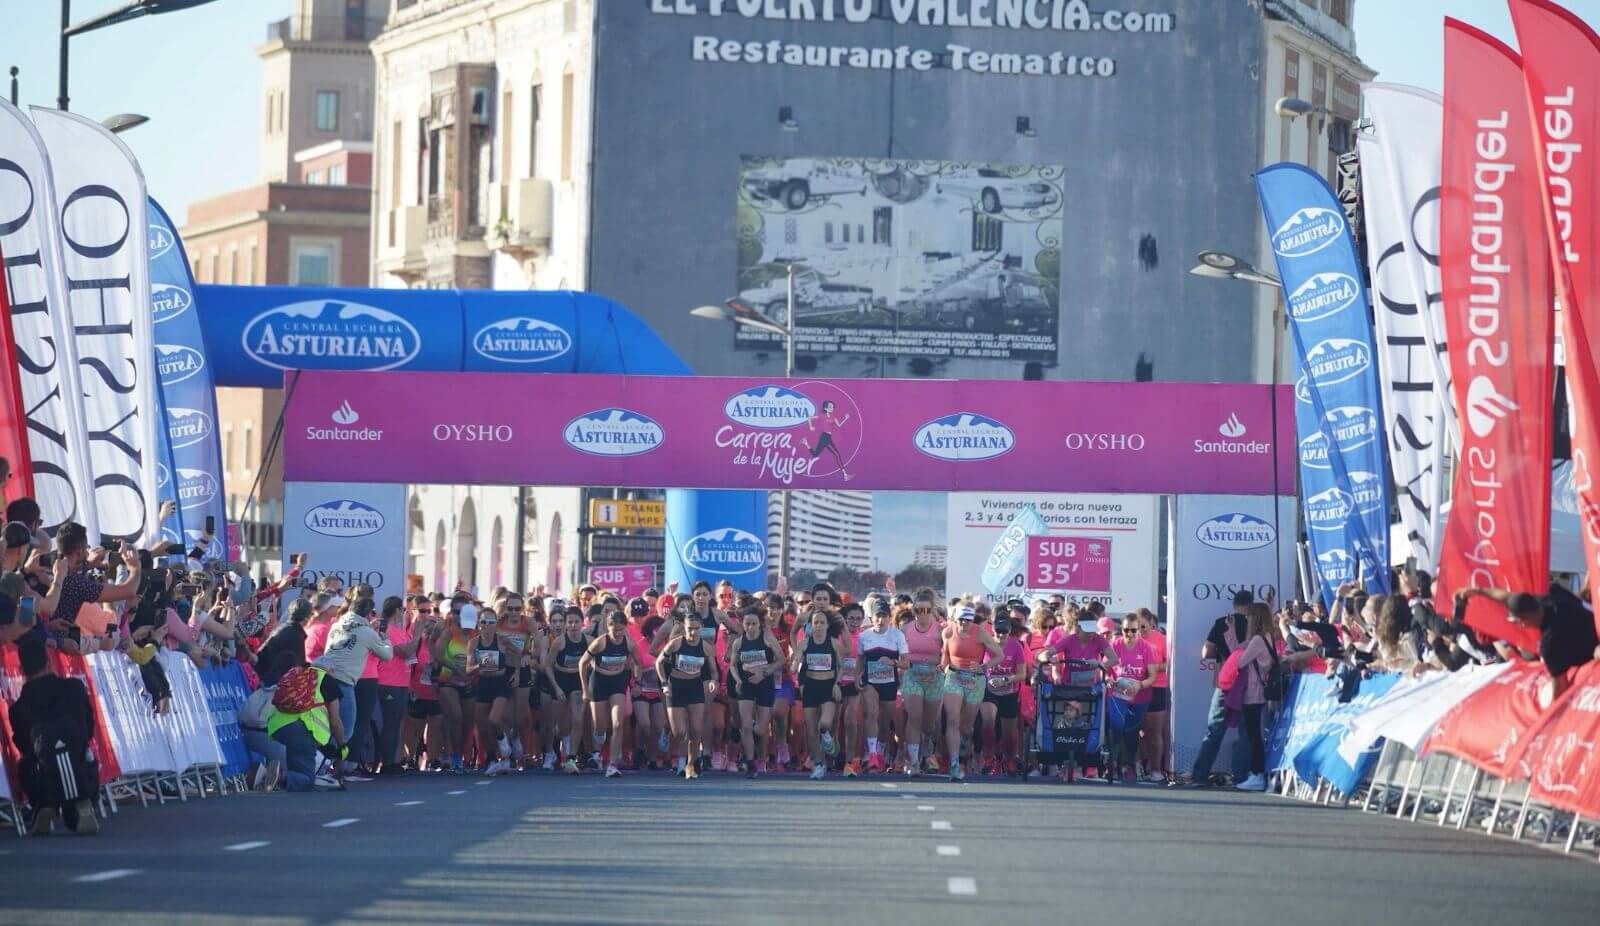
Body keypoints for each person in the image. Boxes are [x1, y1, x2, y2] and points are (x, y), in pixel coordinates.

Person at [10, 637, 100, 834]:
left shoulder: (18, 708)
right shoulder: (74, 688)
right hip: (81, 769)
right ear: (48, 661)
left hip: (45, 777)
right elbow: (88, 728)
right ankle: (83, 803)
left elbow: (24, 746)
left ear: (22, 670)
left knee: (26, 763)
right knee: (84, 753)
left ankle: (45, 805)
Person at [1458, 582, 1599, 702]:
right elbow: (1507, 597)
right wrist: (1479, 591)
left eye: (1517, 622)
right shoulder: (1552, 594)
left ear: (1523, 622)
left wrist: (1548, 716)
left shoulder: (1550, 644)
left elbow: (1561, 687)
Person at [312, 596, 395, 776]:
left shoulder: (337, 625)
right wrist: (386, 640)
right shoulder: (367, 631)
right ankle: (326, 768)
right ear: (368, 613)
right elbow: (387, 656)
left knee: (324, 725)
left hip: (323, 677)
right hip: (344, 682)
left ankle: (322, 765)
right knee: (346, 730)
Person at [37, 522, 142, 656]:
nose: (88, 552)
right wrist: (135, 567)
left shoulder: (48, 561)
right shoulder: (79, 584)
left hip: (49, 627)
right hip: (66, 638)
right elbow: (129, 591)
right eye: (86, 548)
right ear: (79, 551)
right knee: (112, 636)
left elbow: (67, 570)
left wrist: (88, 565)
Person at [1186, 589, 1254, 788]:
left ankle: (1200, 774)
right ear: (1250, 605)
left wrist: (1220, 654)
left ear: (1234, 604)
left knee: (1214, 729)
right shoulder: (1255, 625)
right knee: (1246, 731)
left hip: (1226, 681)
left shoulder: (1222, 622)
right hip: (1249, 682)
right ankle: (1240, 777)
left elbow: (1206, 652)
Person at [939, 605, 1004, 781]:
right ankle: (954, 763)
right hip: (954, 677)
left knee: (966, 728)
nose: (964, 623)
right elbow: (945, 656)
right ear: (955, 620)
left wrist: (984, 667)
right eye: (961, 620)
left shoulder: (980, 633)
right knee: (953, 719)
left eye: (968, 620)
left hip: (975, 680)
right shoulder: (948, 632)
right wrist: (943, 668)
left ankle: (964, 756)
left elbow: (999, 655)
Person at [267, 662, 347, 792]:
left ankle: (264, 776)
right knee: (307, 779)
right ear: (331, 670)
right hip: (303, 728)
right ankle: (275, 776)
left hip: (278, 725)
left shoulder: (298, 674)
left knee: (297, 770)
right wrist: (342, 745)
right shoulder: (328, 681)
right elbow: (335, 721)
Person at [579, 611, 641, 778]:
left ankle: (612, 764)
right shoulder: (600, 643)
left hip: (618, 682)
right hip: (599, 682)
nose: (618, 634)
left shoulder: (629, 644)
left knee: (618, 723)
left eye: (621, 630)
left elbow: (638, 663)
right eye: (615, 630)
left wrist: (637, 682)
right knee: (600, 726)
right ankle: (599, 741)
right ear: (608, 627)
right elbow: (582, 663)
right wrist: (585, 689)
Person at [658, 609, 716, 779]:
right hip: (675, 687)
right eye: (689, 628)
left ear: (701, 628)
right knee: (680, 732)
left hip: (694, 687)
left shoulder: (706, 647)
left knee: (696, 729)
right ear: (684, 627)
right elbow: (659, 662)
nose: (693, 632)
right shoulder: (676, 644)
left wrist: (713, 681)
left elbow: (713, 671)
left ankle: (691, 764)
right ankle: (668, 733)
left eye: (696, 629)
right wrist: (664, 683)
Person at [792, 607, 845, 780]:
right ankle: (819, 764)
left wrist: (837, 684)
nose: (819, 626)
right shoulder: (805, 643)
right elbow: (796, 662)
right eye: (816, 623)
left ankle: (828, 737)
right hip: (810, 687)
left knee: (824, 724)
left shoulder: (834, 643)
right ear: (811, 625)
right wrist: (794, 665)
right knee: (810, 730)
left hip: (828, 687)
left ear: (828, 625)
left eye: (822, 622)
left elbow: (841, 666)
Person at [729, 606, 782, 778]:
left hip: (764, 684)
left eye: (754, 624)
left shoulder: (767, 638)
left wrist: (764, 673)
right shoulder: (739, 642)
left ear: (760, 624)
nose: (750, 627)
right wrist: (738, 680)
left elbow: (781, 660)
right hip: (746, 685)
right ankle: (750, 762)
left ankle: (752, 739)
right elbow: (732, 665)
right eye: (747, 624)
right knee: (745, 725)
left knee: (760, 729)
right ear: (742, 624)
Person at [1232, 603, 1279, 792]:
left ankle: (1257, 774)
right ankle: (1257, 773)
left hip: (1253, 692)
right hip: (1260, 690)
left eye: (1249, 616)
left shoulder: (1258, 639)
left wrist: (1240, 643)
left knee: (1254, 737)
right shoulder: (1267, 637)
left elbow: (1240, 661)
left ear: (1255, 618)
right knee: (1256, 735)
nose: (1247, 619)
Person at [469, 598, 519, 776]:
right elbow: (468, 669)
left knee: (494, 720)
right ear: (479, 624)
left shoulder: (502, 641)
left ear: (496, 624)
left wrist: (516, 672)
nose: (487, 626)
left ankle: (503, 742)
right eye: (484, 622)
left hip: (500, 683)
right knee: (482, 726)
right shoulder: (474, 643)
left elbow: (519, 653)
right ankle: (491, 757)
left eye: (491, 622)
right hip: (483, 683)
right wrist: (480, 665)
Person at [858, 598, 908, 774]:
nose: (880, 620)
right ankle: (872, 754)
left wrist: (893, 662)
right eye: (877, 616)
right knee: (871, 713)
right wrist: (857, 676)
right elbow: (860, 659)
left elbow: (906, 663)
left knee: (885, 723)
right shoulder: (864, 636)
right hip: (870, 682)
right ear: (871, 618)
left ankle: (879, 752)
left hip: (889, 683)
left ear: (889, 617)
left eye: (884, 616)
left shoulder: (897, 635)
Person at [1108, 614, 1160, 782]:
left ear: (1138, 630)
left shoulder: (1146, 648)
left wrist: (1140, 685)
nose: (1129, 634)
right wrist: (1108, 680)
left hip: (1140, 697)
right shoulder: (1114, 645)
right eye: (1126, 630)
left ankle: (1128, 765)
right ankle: (1112, 765)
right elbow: (1105, 670)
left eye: (1133, 630)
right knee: (1116, 728)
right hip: (1117, 695)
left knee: (1131, 732)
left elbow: (1152, 676)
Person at [901, 591, 945, 776]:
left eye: (927, 610)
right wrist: (912, 661)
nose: (923, 614)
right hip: (912, 677)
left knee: (928, 724)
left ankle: (927, 745)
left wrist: (937, 663)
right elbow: (901, 655)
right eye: (919, 610)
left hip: (934, 679)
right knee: (915, 718)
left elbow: (947, 655)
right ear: (914, 611)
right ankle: (913, 762)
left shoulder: (940, 630)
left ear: (932, 610)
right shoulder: (906, 629)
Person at [545, 605, 590, 773]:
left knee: (577, 720)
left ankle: (571, 758)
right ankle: (560, 743)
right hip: (561, 680)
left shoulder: (588, 641)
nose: (573, 625)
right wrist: (556, 688)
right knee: (562, 726)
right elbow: (547, 666)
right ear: (565, 624)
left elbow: (595, 662)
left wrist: (588, 684)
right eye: (570, 622)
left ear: (582, 623)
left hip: (577, 681)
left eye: (576, 622)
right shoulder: (559, 642)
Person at [1136, 608, 1171, 783]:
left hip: (1157, 687)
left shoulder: (1162, 639)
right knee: (1138, 731)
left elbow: (1169, 663)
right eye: (1137, 626)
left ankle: (1156, 769)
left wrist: (1153, 667)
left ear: (1151, 623)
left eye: (1143, 626)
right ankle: (1141, 766)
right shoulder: (1133, 639)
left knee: (1155, 732)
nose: (1140, 630)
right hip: (1137, 688)